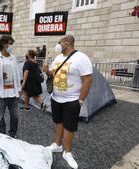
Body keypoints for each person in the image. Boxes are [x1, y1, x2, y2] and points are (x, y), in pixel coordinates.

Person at [43, 35, 93, 169]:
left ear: (67, 42)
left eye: (59, 42)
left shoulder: (81, 58)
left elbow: (88, 80)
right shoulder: (58, 58)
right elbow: (53, 74)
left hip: (72, 99)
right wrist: (47, 71)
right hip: (56, 97)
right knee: (58, 122)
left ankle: (68, 152)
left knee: (70, 127)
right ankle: (58, 145)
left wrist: (81, 100)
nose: (57, 44)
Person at [0, 35, 22, 138]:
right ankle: (2, 135)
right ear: (4, 44)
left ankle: (12, 134)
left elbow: (17, 74)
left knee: (15, 117)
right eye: (10, 44)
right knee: (0, 117)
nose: (11, 46)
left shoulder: (13, 58)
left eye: (12, 44)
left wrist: (19, 89)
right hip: (1, 94)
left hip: (13, 94)